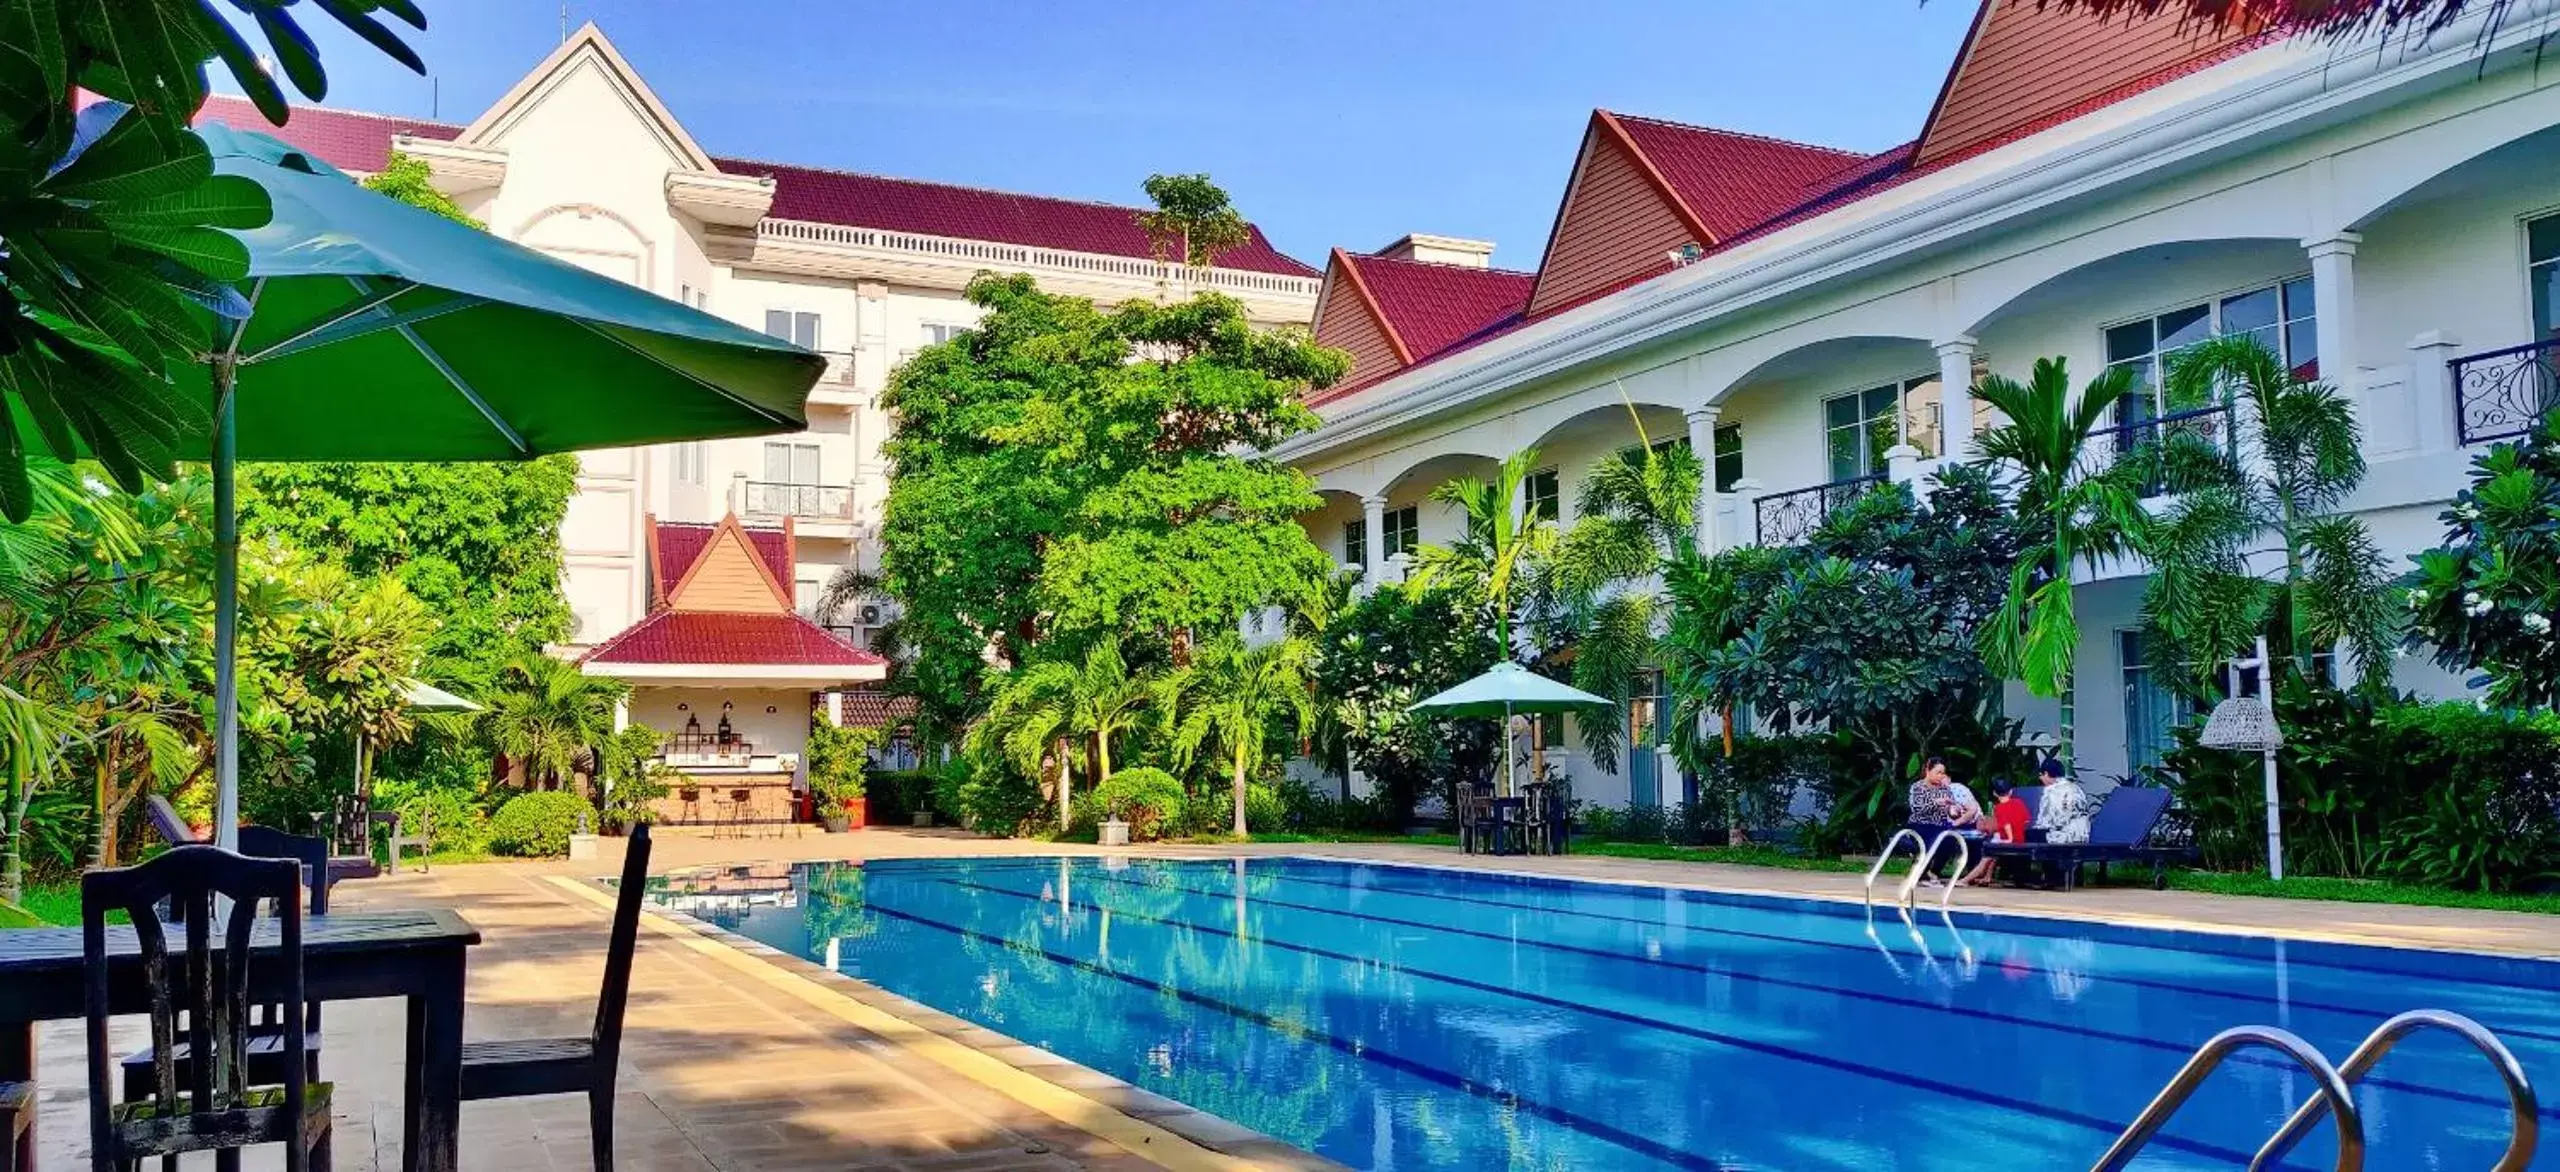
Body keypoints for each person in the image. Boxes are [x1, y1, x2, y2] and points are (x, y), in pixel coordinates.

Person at [1962, 778, 2032, 885]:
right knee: (1995, 842)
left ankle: (1965, 880)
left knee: (1987, 855)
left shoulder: (1999, 808)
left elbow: (2004, 825)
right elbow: (2026, 820)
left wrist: (2007, 837)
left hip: (2009, 841)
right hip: (2020, 838)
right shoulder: (2019, 802)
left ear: (1995, 793)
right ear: (2011, 791)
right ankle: (1987, 876)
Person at [2033, 758, 2094, 845]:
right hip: (2082, 836)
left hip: (2061, 838)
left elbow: (2046, 822)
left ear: (2046, 773)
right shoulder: (2076, 788)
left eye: (2040, 775)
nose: (2040, 778)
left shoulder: (2050, 791)